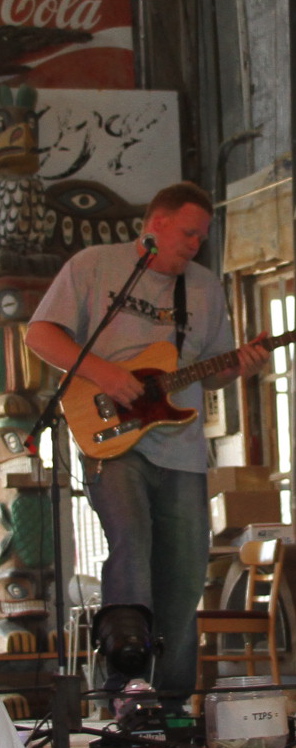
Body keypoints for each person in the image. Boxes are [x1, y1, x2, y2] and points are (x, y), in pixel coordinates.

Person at [25, 181, 270, 715]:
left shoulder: (204, 288)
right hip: (112, 441)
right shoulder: (95, 265)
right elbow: (40, 335)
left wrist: (238, 365)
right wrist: (106, 374)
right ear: (154, 225)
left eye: (202, 237)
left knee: (184, 571)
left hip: (179, 449)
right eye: (187, 233)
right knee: (131, 540)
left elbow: (210, 377)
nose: (195, 245)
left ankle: (174, 701)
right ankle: (125, 687)